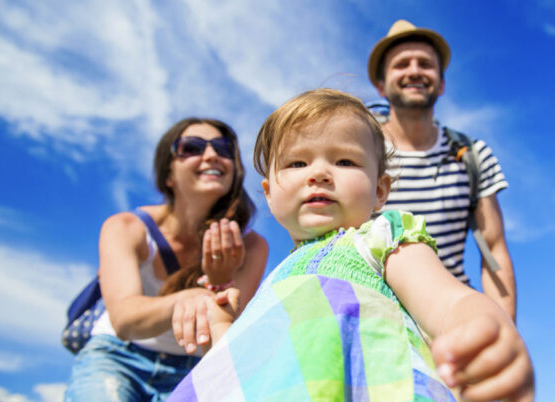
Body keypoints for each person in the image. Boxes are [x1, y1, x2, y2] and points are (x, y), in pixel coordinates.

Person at [167, 89, 533, 401]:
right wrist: (223, 325)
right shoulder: (274, 283)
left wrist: (486, 330)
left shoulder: (381, 240)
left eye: (345, 161)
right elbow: (246, 374)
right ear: (269, 193)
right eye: (297, 162)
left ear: (380, 190)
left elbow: (448, 302)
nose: (319, 173)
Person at [64, 117, 268, 401]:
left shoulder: (252, 247)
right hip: (118, 357)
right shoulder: (126, 227)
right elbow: (124, 321)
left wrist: (221, 283)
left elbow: (223, 342)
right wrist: (195, 296)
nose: (211, 155)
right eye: (192, 147)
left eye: (223, 148)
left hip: (193, 367)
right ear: (168, 175)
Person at [368, 20, 518, 321]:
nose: (414, 71)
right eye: (401, 64)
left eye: (425, 64)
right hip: (370, 319)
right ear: (381, 85)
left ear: (441, 84)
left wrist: (505, 330)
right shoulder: (358, 154)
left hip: (451, 319)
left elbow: (494, 251)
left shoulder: (473, 155)